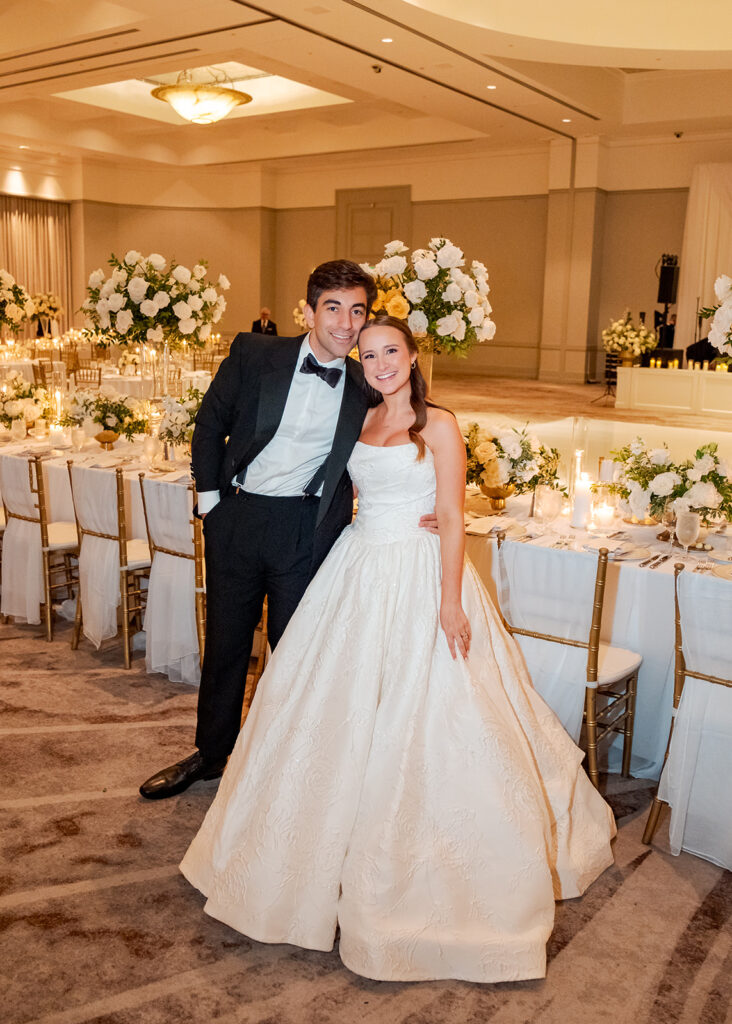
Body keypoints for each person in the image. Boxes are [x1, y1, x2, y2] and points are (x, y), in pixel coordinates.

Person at [179, 315, 616, 984]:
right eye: (369, 353)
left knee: (438, 720)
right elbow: (320, 481)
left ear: (413, 357)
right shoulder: (353, 418)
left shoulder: (437, 425)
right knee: (323, 712)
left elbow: (452, 518)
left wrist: (449, 602)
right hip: (357, 567)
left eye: (391, 351)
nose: (380, 362)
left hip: (421, 577)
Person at [139, 259, 381, 800]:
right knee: (226, 642)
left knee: (293, 650)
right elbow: (211, 423)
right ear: (310, 309)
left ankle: (279, 761)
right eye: (334, 308)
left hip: (308, 526)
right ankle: (211, 753)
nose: (346, 323)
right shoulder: (256, 352)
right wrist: (211, 506)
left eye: (357, 310)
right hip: (239, 516)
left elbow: (416, 423)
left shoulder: (370, 375)